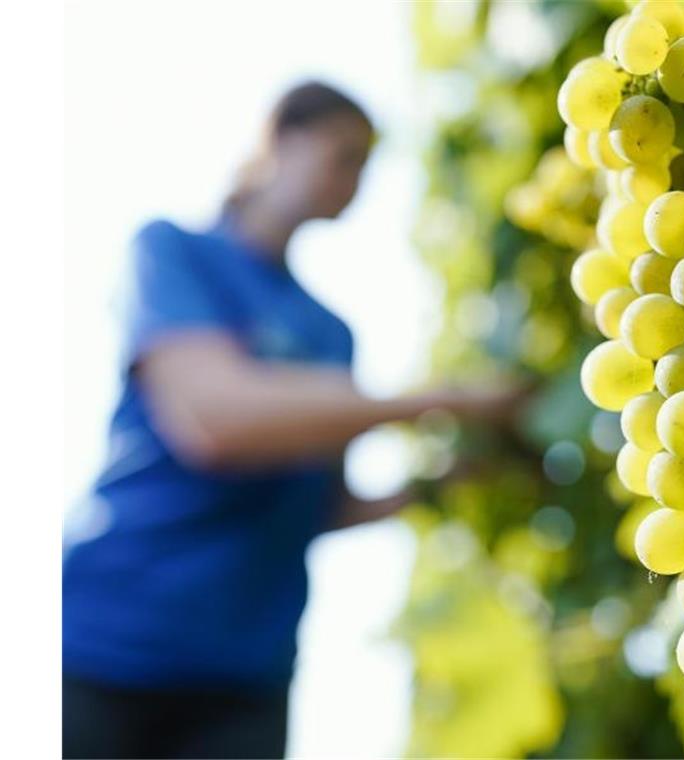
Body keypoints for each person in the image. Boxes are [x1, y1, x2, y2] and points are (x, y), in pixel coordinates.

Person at [62, 80, 523, 759]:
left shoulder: (332, 333)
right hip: (108, 646)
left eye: (367, 164)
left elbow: (320, 507)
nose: (356, 180)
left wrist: (441, 482)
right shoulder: (174, 252)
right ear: (282, 140)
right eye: (346, 155)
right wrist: (440, 400)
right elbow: (216, 422)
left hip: (247, 676)